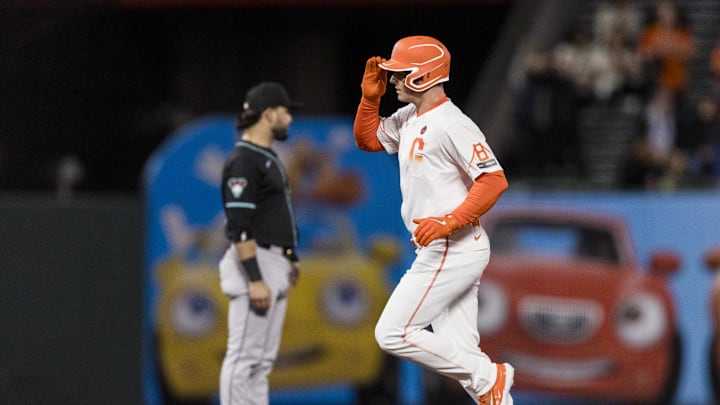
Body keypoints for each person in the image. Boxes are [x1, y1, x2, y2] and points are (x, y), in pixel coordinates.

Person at [353, 35, 512, 405]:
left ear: (422, 76)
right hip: (444, 245)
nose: (392, 80)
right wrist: (369, 99)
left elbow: (493, 180)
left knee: (392, 333)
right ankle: (491, 388)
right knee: (459, 350)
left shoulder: (452, 123)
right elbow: (369, 141)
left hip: (452, 246)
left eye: (399, 73)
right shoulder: (410, 116)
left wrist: (450, 221)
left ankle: (489, 374)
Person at [218, 81, 301, 405]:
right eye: (285, 111)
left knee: (261, 362)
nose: (290, 118)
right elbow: (240, 225)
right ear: (268, 114)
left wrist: (291, 255)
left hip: (273, 261)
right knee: (243, 358)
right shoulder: (244, 160)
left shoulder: (264, 156)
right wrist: (254, 277)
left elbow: (274, 215)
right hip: (257, 263)